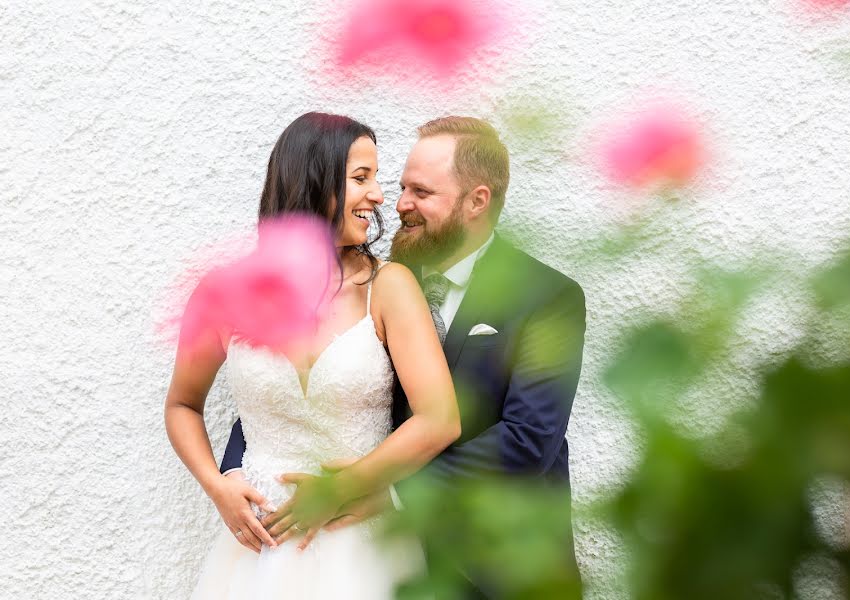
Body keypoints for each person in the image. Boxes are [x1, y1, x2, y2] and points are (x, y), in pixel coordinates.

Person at [221, 116, 587, 599]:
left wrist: (387, 492)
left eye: (421, 192)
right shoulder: (375, 281)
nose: (399, 205)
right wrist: (234, 470)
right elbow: (310, 385)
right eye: (401, 187)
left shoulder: (547, 297)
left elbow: (528, 441)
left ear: (477, 200)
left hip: (498, 571)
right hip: (380, 565)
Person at [164, 112, 461, 600]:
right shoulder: (226, 292)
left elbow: (440, 418)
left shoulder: (388, 288)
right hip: (256, 551)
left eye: (375, 178)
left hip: (363, 544)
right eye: (361, 179)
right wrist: (217, 487)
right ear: (312, 183)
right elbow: (182, 405)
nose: (380, 196)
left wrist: (345, 487)